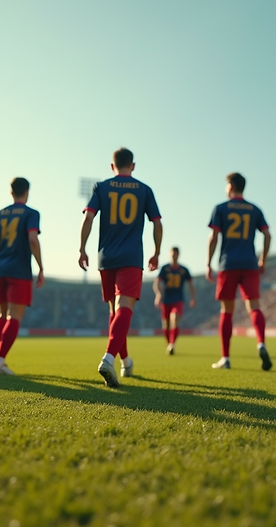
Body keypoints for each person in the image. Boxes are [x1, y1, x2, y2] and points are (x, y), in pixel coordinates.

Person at [79, 147, 162, 387]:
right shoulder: (144, 190)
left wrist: (82, 248)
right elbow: (157, 223)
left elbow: (88, 217)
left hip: (106, 257)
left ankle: (125, 360)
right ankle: (108, 358)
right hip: (131, 256)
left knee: (114, 313)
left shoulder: (101, 187)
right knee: (123, 309)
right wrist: (156, 252)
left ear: (112, 166)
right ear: (133, 166)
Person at [206, 173, 272, 371]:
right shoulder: (254, 209)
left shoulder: (221, 208)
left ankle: (225, 358)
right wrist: (263, 260)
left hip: (228, 264)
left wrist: (208, 263)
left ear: (230, 185)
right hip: (250, 263)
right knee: (254, 306)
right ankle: (261, 343)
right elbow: (267, 234)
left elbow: (213, 237)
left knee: (227, 311)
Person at [0, 177, 44, 375]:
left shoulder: (0, 214)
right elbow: (32, 239)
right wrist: (41, 267)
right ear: (27, 191)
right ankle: (0, 361)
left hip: (0, 271)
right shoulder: (31, 214)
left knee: (2, 313)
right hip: (19, 271)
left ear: (11, 192)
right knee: (14, 317)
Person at [153, 246, 196, 355]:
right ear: (170, 254)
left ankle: (172, 344)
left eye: (175, 254)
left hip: (178, 299)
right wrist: (158, 294)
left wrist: (193, 298)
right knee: (166, 325)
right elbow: (157, 282)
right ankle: (169, 344)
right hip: (166, 299)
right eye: (172, 254)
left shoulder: (183, 270)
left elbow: (191, 284)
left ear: (178, 255)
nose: (174, 256)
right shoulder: (165, 269)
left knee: (175, 318)